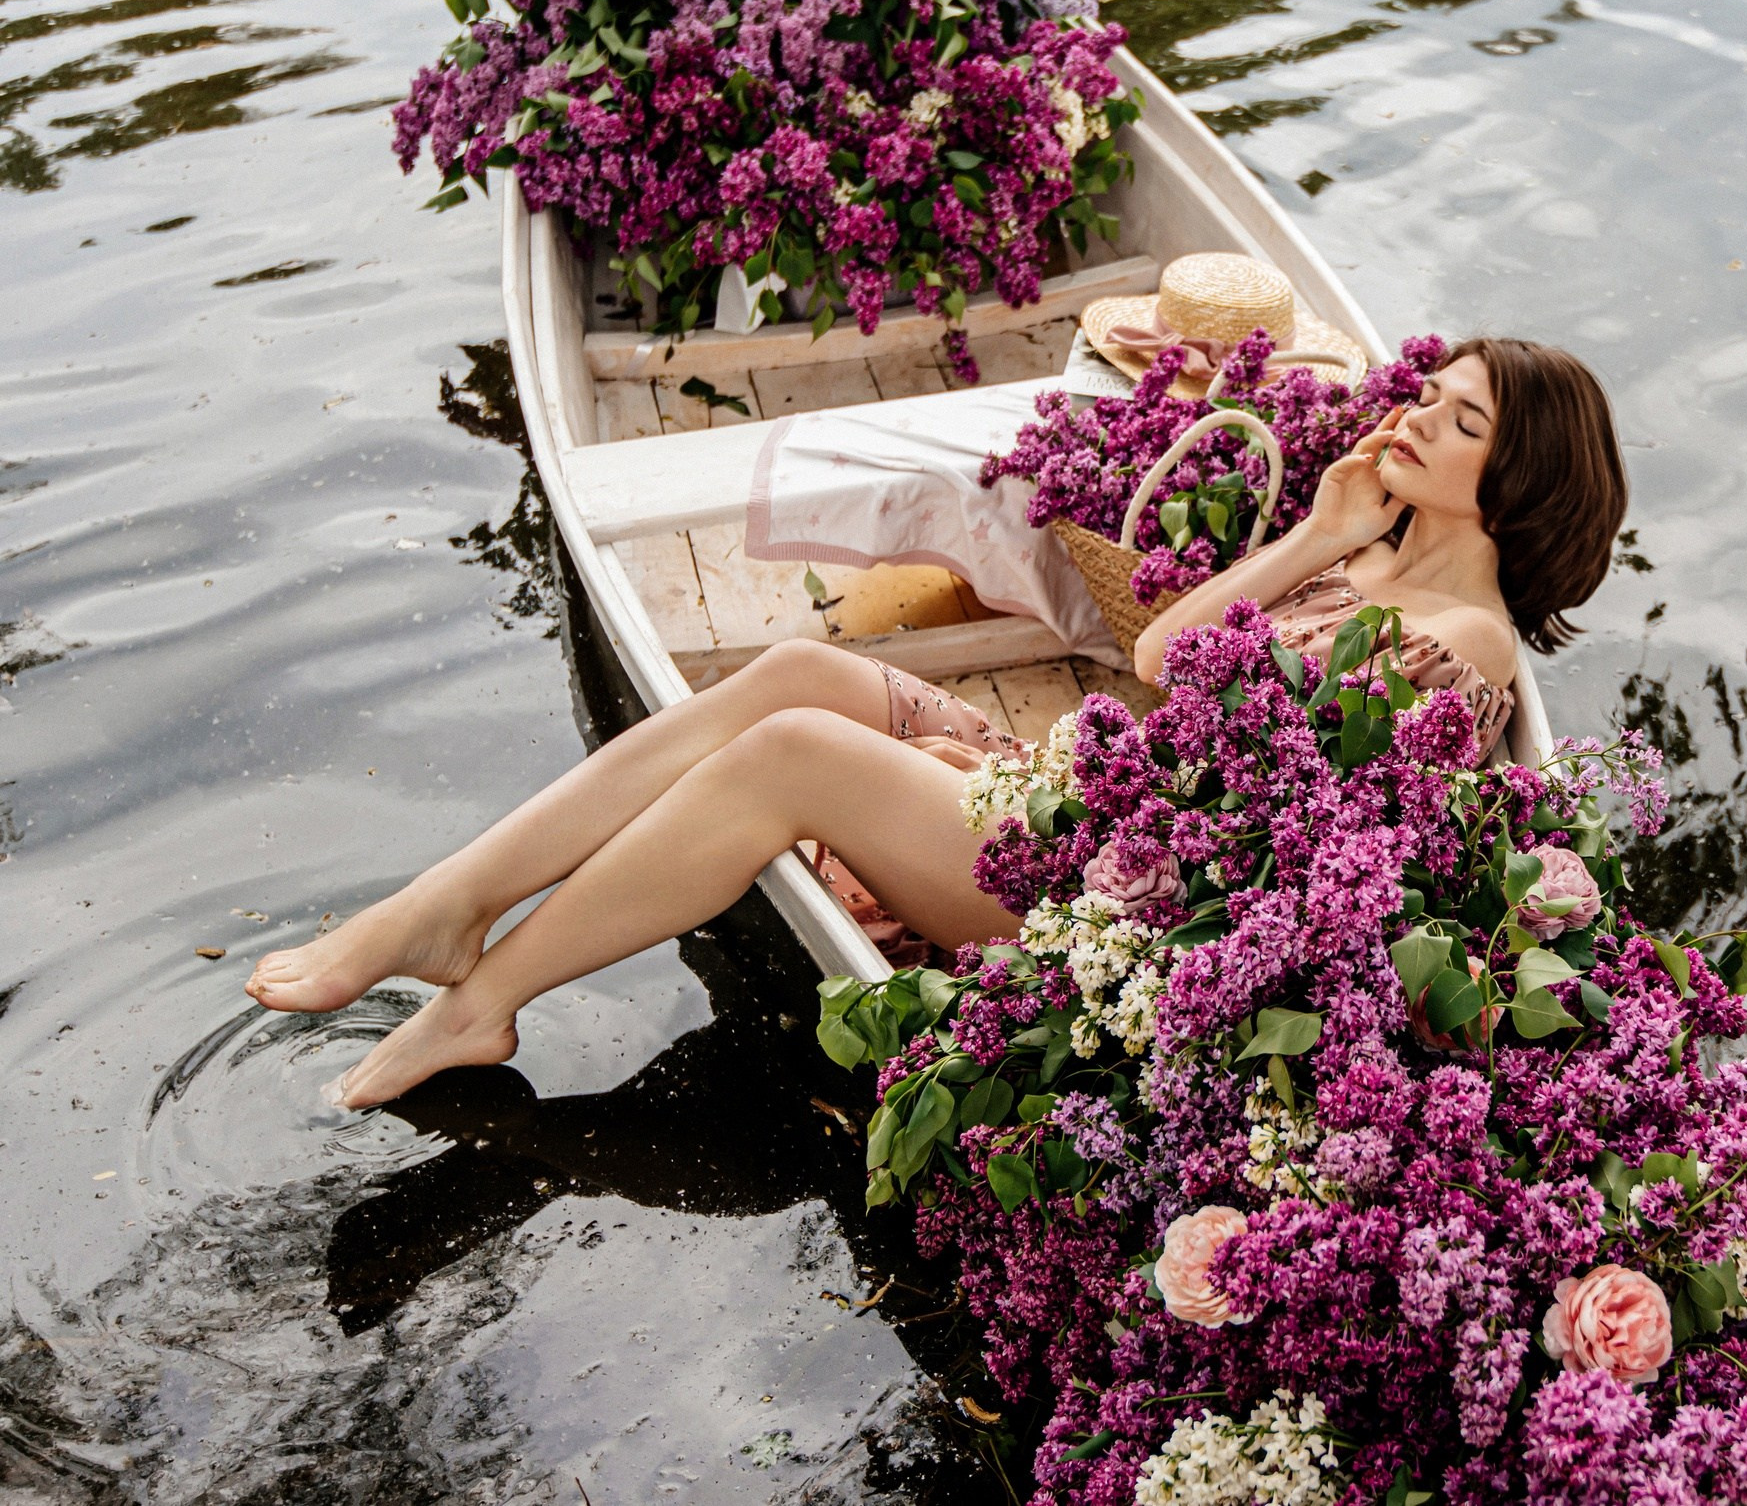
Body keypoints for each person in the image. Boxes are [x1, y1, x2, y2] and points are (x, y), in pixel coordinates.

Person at [249, 339, 1627, 1107]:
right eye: (1428, 400)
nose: (1409, 421)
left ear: (1518, 478)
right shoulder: (1372, 562)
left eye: (1454, 421)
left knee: (793, 754)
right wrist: (1318, 534)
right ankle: (440, 907)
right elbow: (1156, 650)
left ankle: (484, 1001)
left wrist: (1306, 565)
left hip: (1132, 898)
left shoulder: (1460, 649)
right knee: (799, 676)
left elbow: (1256, 803)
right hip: (1095, 803)